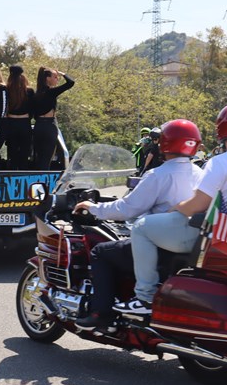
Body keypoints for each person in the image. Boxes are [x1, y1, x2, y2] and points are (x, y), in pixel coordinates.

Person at [115, 103, 227, 315]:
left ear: (222, 128)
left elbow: (198, 204)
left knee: (141, 227)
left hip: (216, 236)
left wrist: (175, 208)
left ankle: (145, 298)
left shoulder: (220, 162)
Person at [71, 119, 204, 329]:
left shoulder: (159, 174)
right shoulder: (201, 173)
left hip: (160, 245)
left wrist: (92, 207)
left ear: (165, 143)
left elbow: (127, 209)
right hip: (190, 245)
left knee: (100, 252)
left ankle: (101, 313)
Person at [32, 67, 75, 170]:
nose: (57, 79)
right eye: (55, 77)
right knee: (46, 158)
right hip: (49, 125)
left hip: (38, 125)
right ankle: (44, 182)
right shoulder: (51, 92)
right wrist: (62, 73)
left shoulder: (36, 93)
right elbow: (71, 82)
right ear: (47, 78)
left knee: (39, 157)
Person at [4, 65, 34, 170]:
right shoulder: (29, 91)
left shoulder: (6, 90)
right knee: (24, 153)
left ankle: (11, 175)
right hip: (25, 123)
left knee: (12, 153)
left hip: (11, 123)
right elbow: (32, 110)